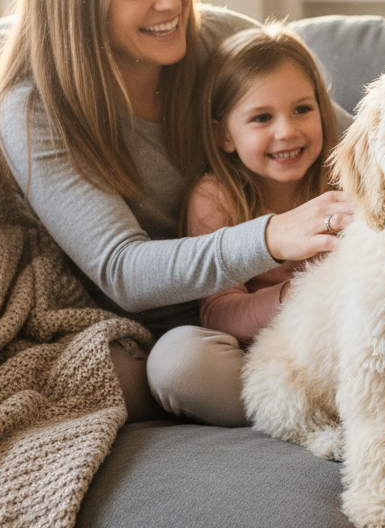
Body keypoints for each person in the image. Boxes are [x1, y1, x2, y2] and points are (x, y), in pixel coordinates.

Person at [0, 0, 353, 419]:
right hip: (177, 330)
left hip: (316, 308)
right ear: (78, 3)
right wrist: (273, 236)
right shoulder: (36, 112)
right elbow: (122, 270)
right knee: (178, 366)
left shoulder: (215, 43)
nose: (170, 2)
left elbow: (363, 147)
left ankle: (378, 395)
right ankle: (332, 407)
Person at [145, 24, 340, 426]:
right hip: (267, 362)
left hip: (353, 349)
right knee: (178, 360)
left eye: (303, 109)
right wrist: (294, 296)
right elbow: (218, 313)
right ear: (224, 135)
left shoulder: (341, 181)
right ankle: (293, 412)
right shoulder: (216, 198)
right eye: (261, 117)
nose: (286, 131)